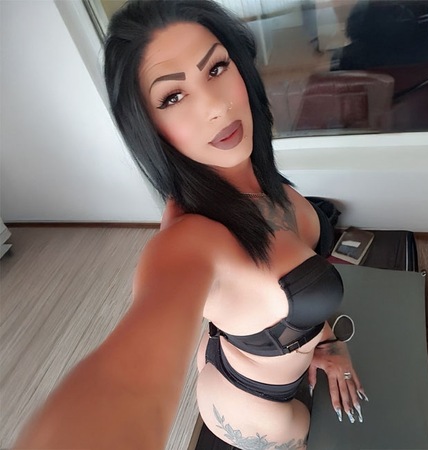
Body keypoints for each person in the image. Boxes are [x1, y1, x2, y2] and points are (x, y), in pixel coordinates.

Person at [13, 1, 388, 448]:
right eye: (172, 97)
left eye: (216, 68)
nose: (216, 106)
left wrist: (327, 344)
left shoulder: (255, 177)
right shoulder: (189, 239)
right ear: (148, 126)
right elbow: (125, 384)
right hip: (255, 408)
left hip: (250, 351)